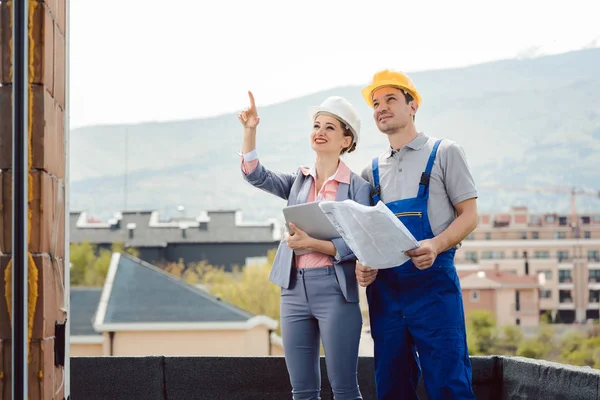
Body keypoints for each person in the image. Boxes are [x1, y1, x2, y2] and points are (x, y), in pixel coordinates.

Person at [355, 69, 479, 400]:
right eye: (376, 103)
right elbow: (366, 232)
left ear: (413, 106)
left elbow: (470, 216)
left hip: (433, 287)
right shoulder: (370, 172)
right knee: (392, 385)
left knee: (448, 382)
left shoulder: (445, 152)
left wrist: (436, 245)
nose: (381, 107)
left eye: (390, 99)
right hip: (385, 293)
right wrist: (364, 264)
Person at [238, 91, 370, 400]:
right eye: (316, 125)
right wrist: (250, 130)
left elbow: (359, 244)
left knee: (345, 390)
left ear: (346, 141)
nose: (319, 132)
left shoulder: (358, 188)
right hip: (293, 290)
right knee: (302, 391)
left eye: (330, 128)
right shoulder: (299, 181)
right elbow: (255, 175)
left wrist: (312, 243)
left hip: (336, 292)